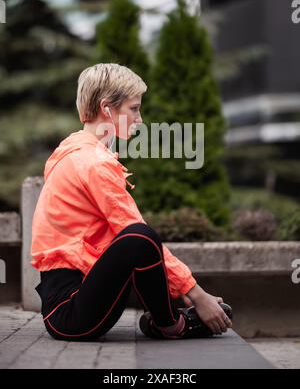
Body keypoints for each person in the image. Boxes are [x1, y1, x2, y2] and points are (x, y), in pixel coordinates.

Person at [31, 63, 232, 341]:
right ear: (107, 108)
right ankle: (171, 325)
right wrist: (198, 295)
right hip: (70, 313)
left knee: (137, 237)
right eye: (134, 108)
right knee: (140, 237)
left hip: (72, 305)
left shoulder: (74, 150)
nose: (140, 119)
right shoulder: (92, 163)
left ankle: (161, 321)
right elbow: (136, 232)